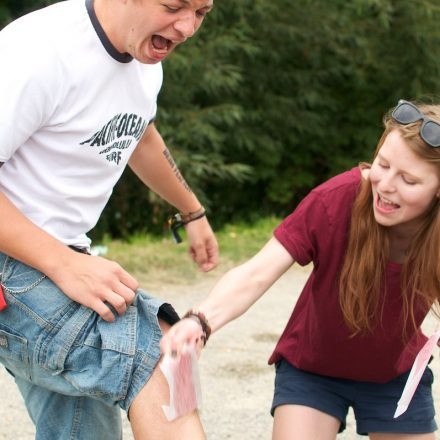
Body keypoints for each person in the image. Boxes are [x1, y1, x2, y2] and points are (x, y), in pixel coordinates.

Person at [0, 0, 218, 439]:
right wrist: (65, 264)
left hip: (58, 254)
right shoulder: (38, 52)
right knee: (164, 355)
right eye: (174, 6)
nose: (187, 27)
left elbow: (138, 133)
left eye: (202, 12)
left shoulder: (144, 57)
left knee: (83, 429)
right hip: (14, 264)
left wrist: (191, 210)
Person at [162, 99, 440, 440]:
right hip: (312, 370)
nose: (385, 185)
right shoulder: (336, 200)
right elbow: (257, 272)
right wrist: (199, 321)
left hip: (394, 375)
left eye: (408, 181)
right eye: (382, 164)